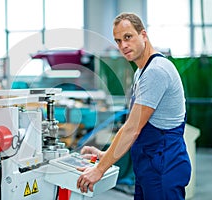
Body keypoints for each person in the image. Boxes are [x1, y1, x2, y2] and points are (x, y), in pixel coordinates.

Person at [76, 12, 191, 200]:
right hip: (148, 165)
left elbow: (132, 129)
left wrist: (99, 169)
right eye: (118, 41)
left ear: (143, 35)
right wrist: (105, 155)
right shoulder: (141, 72)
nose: (123, 46)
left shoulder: (156, 71)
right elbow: (139, 131)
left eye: (128, 37)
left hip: (163, 167)